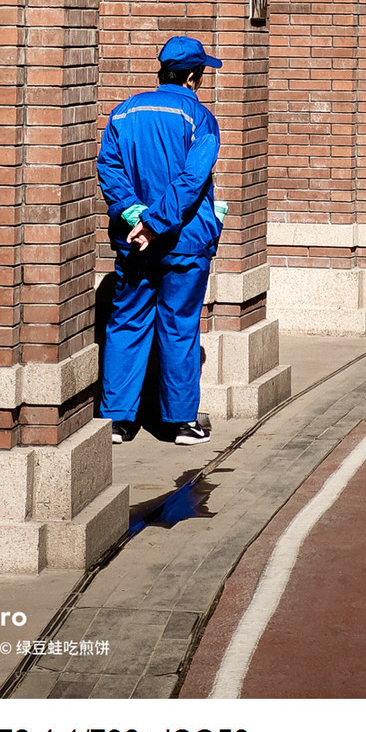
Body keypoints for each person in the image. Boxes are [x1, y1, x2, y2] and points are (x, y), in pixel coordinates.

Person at [96, 35, 225, 445]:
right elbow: (191, 180)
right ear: (192, 76)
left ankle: (117, 420)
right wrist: (157, 221)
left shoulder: (123, 112)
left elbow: (109, 168)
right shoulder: (200, 118)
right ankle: (181, 422)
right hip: (183, 242)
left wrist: (135, 214)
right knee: (179, 326)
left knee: (126, 323)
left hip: (134, 241)